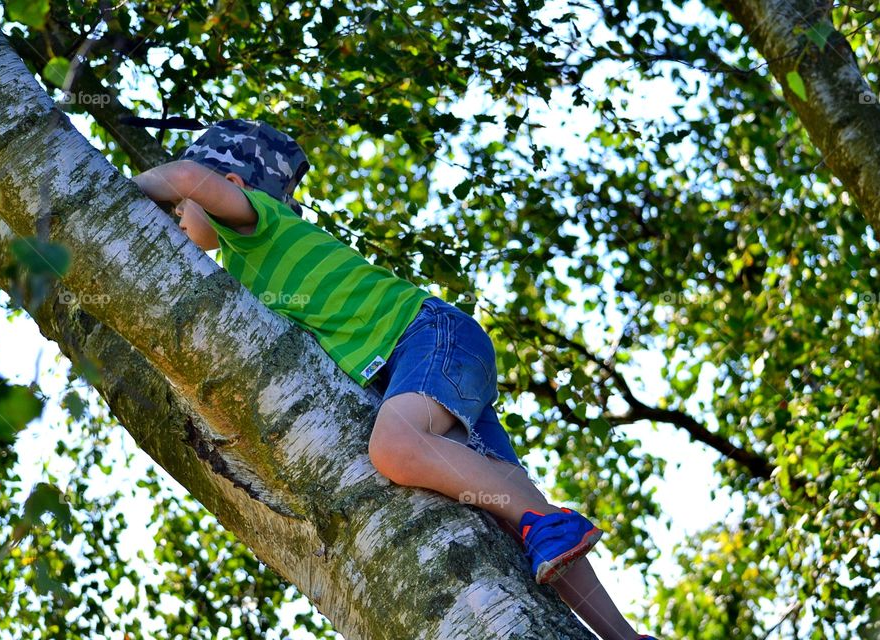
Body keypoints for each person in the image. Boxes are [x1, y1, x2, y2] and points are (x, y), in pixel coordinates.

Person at [130, 118, 658, 640]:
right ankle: (625, 635)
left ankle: (546, 526)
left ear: (232, 186)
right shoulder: (242, 275)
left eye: (180, 210)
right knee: (509, 502)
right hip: (419, 369)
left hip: (426, 337)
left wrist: (123, 195)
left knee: (395, 447)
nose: (176, 215)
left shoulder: (254, 222)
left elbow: (184, 178)